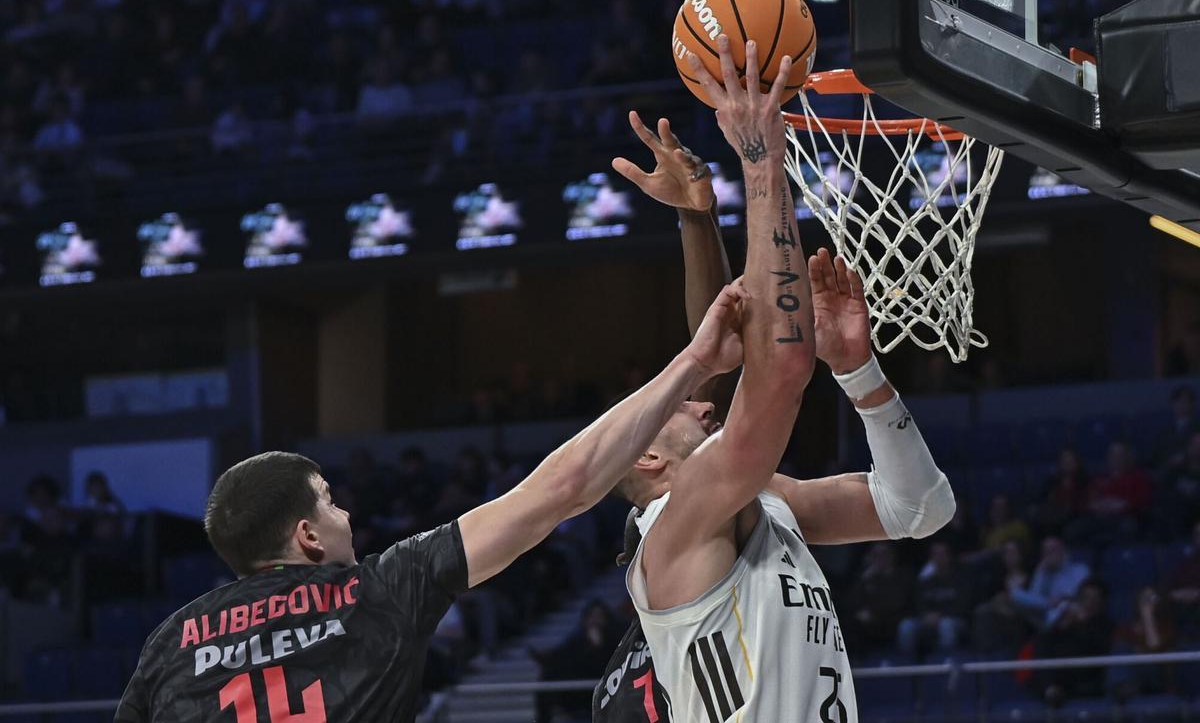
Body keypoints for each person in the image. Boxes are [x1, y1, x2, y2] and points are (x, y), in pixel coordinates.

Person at [113, 287, 747, 723]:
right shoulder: (377, 589)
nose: (347, 517)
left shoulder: (168, 643)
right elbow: (561, 489)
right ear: (305, 534)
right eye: (331, 503)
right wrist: (691, 363)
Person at [603, 36, 955, 723]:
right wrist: (762, 161)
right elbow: (772, 371)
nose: (708, 409)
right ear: (648, 457)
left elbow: (922, 509)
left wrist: (860, 374)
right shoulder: (678, 527)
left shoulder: (764, 506)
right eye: (687, 412)